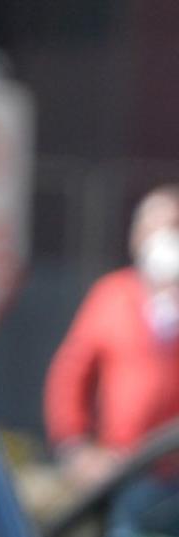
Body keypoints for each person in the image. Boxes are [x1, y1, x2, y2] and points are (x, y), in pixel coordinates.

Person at [45, 184, 179, 486]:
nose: (164, 239)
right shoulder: (112, 295)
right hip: (126, 470)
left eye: (173, 228)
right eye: (153, 229)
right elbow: (70, 374)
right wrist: (75, 447)